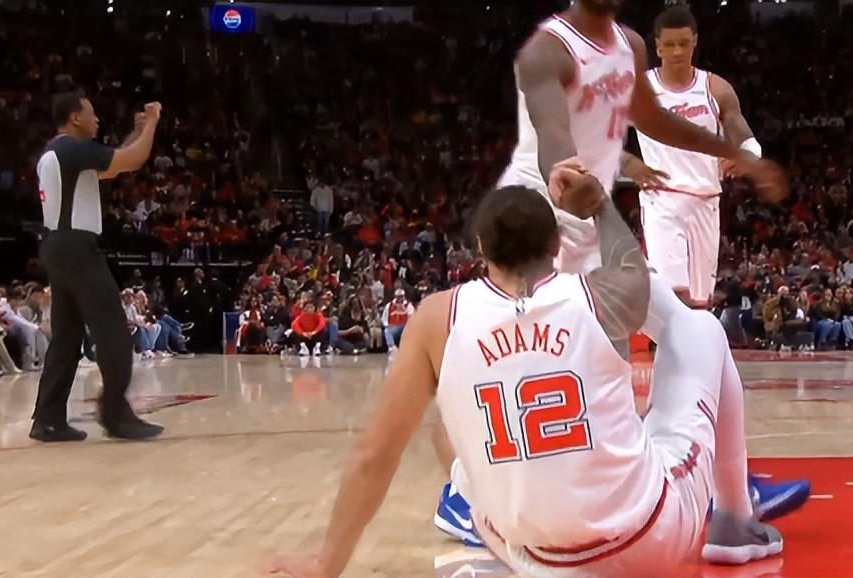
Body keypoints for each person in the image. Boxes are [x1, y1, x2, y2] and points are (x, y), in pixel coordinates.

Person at [267, 169, 782, 578]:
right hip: (644, 543)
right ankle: (734, 522)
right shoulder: (600, 294)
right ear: (557, 244)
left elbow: (374, 456)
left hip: (533, 555)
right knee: (699, 328)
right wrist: (599, 204)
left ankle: (477, 516)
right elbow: (633, 272)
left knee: (447, 426)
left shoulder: (436, 318)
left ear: (480, 248)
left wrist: (326, 565)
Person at [485, 0, 808, 527]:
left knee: (698, 331)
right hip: (538, 220)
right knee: (539, 368)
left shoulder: (629, 45)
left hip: (594, 217)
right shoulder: (548, 51)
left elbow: (655, 120)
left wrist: (740, 157)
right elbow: (552, 134)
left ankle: (727, 498)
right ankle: (470, 491)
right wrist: (568, 173)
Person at [31, 90, 164, 441]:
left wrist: (136, 132)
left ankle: (48, 418)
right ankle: (116, 415)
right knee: (113, 330)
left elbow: (114, 164)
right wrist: (152, 122)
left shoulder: (57, 152)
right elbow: (132, 160)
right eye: (91, 113)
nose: (97, 119)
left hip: (56, 246)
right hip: (77, 247)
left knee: (66, 337)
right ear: (75, 117)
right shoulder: (73, 149)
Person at [625, 6, 763, 309]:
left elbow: (743, 134)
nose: (677, 51)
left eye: (683, 43)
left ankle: (695, 341)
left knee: (701, 304)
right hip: (662, 199)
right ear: (658, 47)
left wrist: (748, 156)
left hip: (706, 199)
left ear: (695, 42)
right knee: (673, 298)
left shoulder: (715, 88)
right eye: (670, 44)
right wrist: (627, 163)